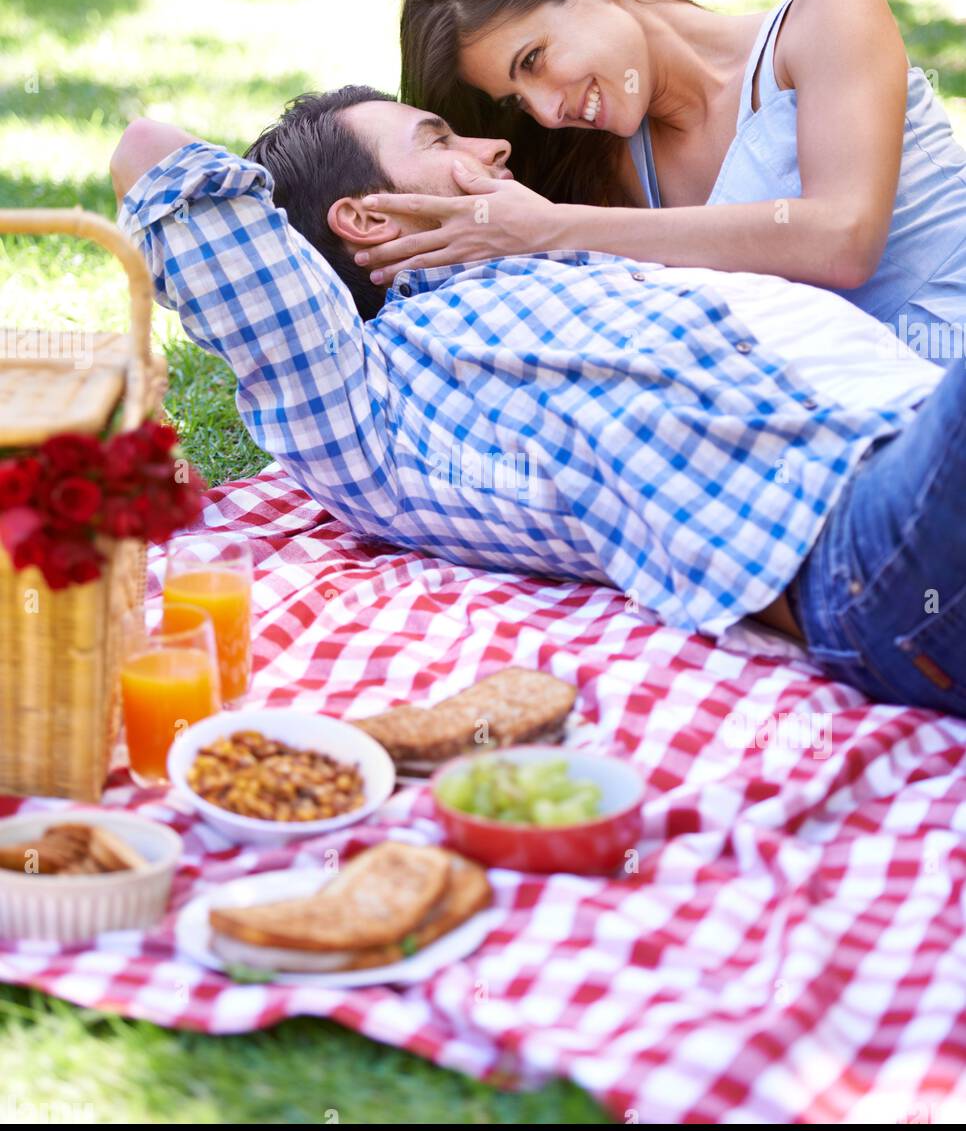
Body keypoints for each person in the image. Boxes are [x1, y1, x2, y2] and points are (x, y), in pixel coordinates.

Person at [109, 96, 965, 717]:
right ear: (369, 218)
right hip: (869, 545)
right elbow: (149, 149)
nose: (494, 148)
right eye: (439, 139)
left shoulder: (585, 263)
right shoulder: (371, 390)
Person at [350, 0, 966, 366]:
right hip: (862, 448)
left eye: (533, 59)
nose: (543, 112)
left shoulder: (828, 18)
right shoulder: (606, 170)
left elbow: (842, 238)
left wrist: (555, 228)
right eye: (515, 98)